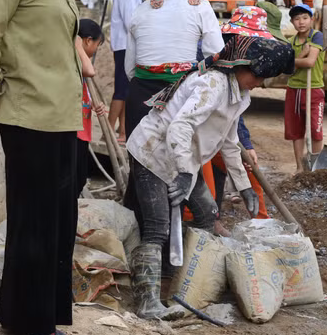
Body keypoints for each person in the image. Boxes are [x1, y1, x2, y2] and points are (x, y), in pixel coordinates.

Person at [0, 0, 91, 335]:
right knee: (34, 224)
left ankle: (34, 316)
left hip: (59, 114)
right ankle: (31, 328)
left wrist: (80, 65)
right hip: (27, 113)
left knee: (58, 220)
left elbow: (58, 33)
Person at [126, 34, 294, 319]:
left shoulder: (240, 96)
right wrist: (182, 172)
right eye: (259, 76)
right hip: (153, 152)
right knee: (157, 225)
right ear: (241, 67)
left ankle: (185, 280)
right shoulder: (212, 84)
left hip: (183, 159)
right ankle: (147, 302)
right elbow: (179, 126)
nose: (260, 83)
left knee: (206, 213)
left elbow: (230, 143)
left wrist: (244, 188)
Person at [124, 0, 223, 139]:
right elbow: (215, 53)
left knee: (140, 160)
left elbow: (130, 69)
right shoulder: (200, 7)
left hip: (140, 95)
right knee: (181, 161)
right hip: (182, 94)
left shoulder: (140, 10)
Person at [108, 0, 152, 143]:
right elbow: (130, 22)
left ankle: (123, 131)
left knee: (128, 89)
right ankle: (109, 130)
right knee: (122, 89)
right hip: (124, 45)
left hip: (130, 45)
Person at [285, 3, 325, 172]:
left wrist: (292, 62)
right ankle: (300, 168)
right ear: (292, 22)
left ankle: (315, 169)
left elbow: (310, 62)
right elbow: (287, 70)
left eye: (304, 18)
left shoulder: (317, 36)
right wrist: (301, 54)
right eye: (296, 19)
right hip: (294, 89)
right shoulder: (290, 42)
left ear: (311, 19)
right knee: (296, 131)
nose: (301, 22)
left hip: (314, 89)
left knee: (316, 131)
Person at [75, 19, 108, 196]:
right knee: (75, 179)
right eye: (97, 44)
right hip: (74, 132)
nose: (96, 50)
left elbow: (85, 95)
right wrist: (78, 46)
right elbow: (90, 70)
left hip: (83, 131)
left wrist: (95, 105)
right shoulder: (79, 64)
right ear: (87, 41)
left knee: (79, 179)